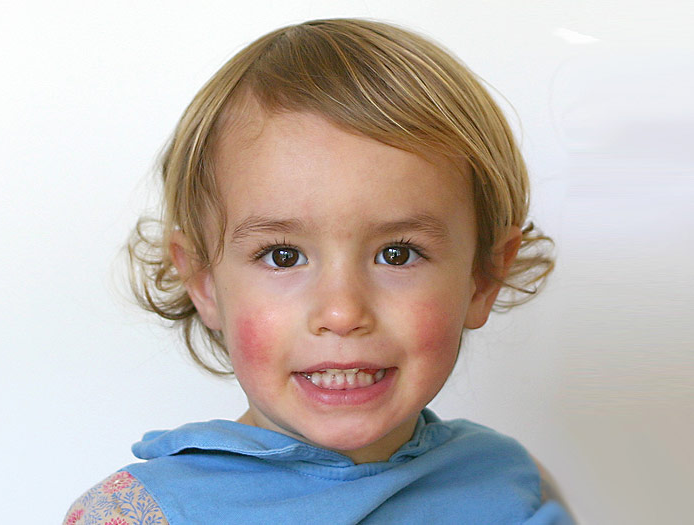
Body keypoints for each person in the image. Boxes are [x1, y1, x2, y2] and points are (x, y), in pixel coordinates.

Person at [64, 18, 573, 524]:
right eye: (283, 256)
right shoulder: (140, 515)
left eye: (397, 254)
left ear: (482, 279)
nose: (342, 312)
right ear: (204, 283)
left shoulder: (511, 486)